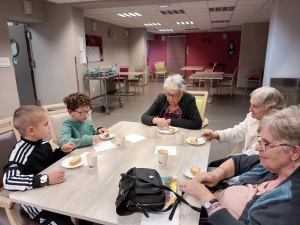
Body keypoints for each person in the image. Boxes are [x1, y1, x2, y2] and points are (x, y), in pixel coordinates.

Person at [180, 105, 300, 225]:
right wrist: (216, 175)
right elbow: (238, 161)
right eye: (260, 140)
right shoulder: (276, 165)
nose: (258, 147)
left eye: (266, 143)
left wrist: (206, 199)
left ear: (294, 152)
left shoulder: (291, 203)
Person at [3, 105, 92, 225]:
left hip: (53, 192)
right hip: (36, 203)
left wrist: (61, 151)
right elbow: (9, 181)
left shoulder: (43, 143)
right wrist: (46, 179)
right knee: (63, 222)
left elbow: (49, 161)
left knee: (84, 206)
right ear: (31, 130)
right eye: (46, 124)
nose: (50, 126)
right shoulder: (20, 152)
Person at [201, 86, 285, 156]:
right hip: (245, 160)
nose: (250, 109)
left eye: (255, 106)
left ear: (271, 108)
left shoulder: (280, 131)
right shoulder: (252, 118)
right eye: (250, 104)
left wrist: (237, 161)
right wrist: (215, 135)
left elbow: (259, 157)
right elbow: (236, 133)